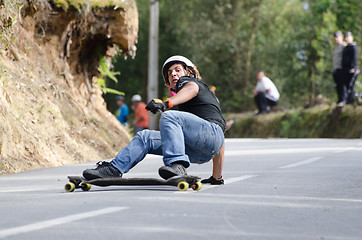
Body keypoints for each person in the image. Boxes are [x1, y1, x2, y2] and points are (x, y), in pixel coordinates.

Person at [82, 55, 226, 185]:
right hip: (200, 151)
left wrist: (166, 103)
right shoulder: (187, 108)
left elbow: (192, 88)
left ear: (189, 72)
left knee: (169, 116)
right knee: (146, 137)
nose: (173, 74)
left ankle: (176, 164)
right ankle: (114, 169)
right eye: (169, 74)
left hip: (209, 135)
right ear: (168, 83)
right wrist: (216, 177)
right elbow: (220, 141)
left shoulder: (191, 83)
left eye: (177, 70)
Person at [341, 31, 359, 105]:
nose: (347, 39)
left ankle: (351, 101)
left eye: (348, 37)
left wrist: (353, 67)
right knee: (346, 85)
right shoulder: (345, 48)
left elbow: (354, 58)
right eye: (346, 37)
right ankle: (347, 100)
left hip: (352, 69)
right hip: (345, 69)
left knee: (351, 86)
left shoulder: (353, 47)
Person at [332, 31, 347, 105]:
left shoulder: (344, 46)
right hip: (336, 69)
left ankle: (344, 100)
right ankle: (340, 99)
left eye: (337, 37)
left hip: (342, 69)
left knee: (342, 85)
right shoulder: (336, 47)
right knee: (338, 86)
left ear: (341, 37)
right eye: (335, 37)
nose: (336, 39)